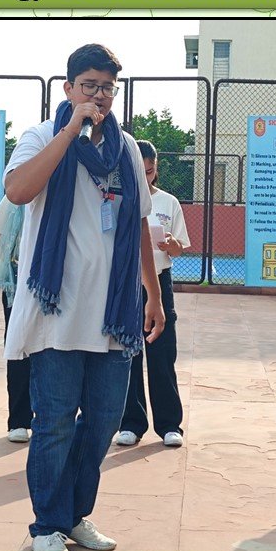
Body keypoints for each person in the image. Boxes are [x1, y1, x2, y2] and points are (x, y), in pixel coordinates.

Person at [4, 43, 165, 551]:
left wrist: (153, 293)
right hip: (56, 312)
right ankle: (46, 526)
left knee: (102, 423)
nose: (99, 96)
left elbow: (139, 223)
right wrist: (70, 131)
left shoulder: (126, 148)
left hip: (112, 315)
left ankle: (74, 516)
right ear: (68, 88)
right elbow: (17, 191)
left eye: (107, 88)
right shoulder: (40, 136)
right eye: (89, 86)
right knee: (53, 422)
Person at [116, 140, 189, 448]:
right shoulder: (118, 197)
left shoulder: (168, 202)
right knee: (128, 355)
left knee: (162, 355)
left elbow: (181, 247)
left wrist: (172, 245)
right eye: (140, 171)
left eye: (150, 171)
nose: (146, 178)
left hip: (159, 281)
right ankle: (131, 423)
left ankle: (170, 424)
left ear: (156, 169)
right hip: (127, 282)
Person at [0, 195, 32, 443]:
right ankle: (19, 420)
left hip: (58, 285)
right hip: (18, 286)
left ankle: (50, 418)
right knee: (18, 349)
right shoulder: (15, 199)